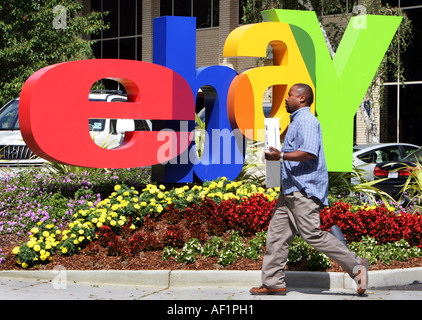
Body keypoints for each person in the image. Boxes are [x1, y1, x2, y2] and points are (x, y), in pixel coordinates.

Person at [250, 83, 368, 296]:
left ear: (302, 99)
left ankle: (357, 265)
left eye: (290, 95)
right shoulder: (296, 121)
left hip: (304, 189)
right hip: (290, 190)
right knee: (276, 237)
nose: (286, 98)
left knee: (312, 234)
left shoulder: (306, 121)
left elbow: (309, 152)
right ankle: (273, 282)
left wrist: (281, 156)